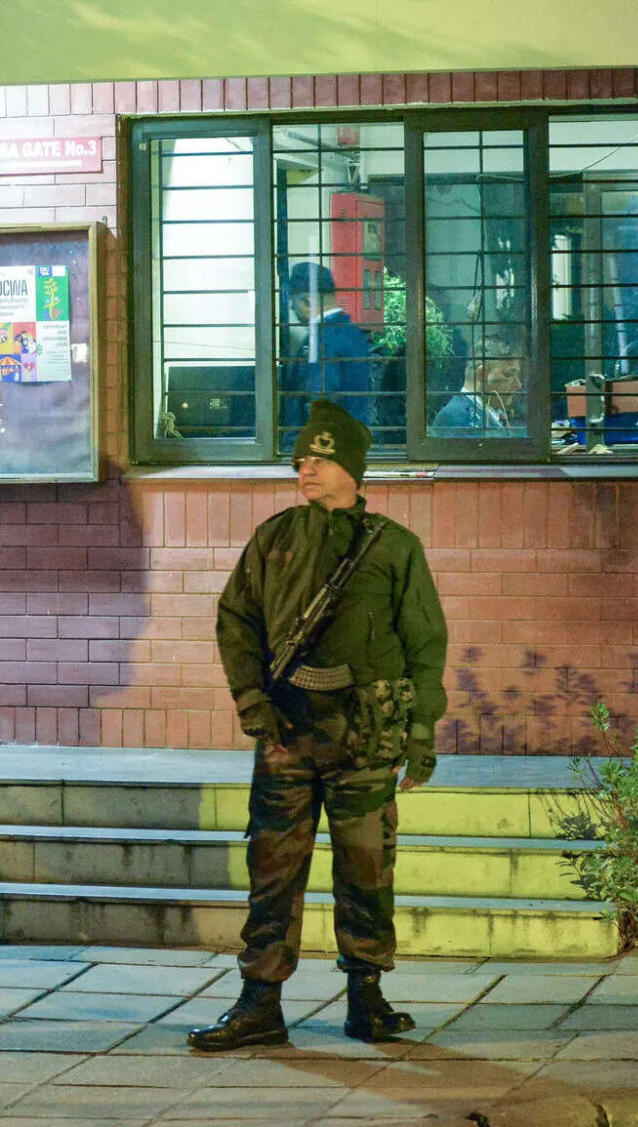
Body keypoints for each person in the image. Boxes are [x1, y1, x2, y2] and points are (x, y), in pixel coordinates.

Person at [190, 398, 448, 1053]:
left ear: (351, 469)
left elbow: (426, 642)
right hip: (287, 731)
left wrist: (421, 730)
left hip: (366, 732)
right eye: (300, 459)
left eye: (319, 459)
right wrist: (253, 702)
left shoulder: (394, 547)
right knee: (273, 869)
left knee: (367, 868)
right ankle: (259, 1003)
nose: (304, 468)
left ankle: (368, 997)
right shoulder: (275, 539)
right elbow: (235, 621)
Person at [281, 263, 378, 441]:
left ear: (308, 301)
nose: (292, 309)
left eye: (293, 302)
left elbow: (320, 401)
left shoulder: (321, 340)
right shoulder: (352, 333)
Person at [432, 351, 524, 437]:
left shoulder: (491, 414)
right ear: (482, 375)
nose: (518, 385)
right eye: (509, 375)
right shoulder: (458, 418)